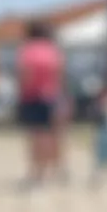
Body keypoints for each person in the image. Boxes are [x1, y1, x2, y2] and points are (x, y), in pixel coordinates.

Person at [16, 20, 65, 186]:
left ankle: (37, 172)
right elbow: (60, 76)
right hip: (52, 96)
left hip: (33, 96)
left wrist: (21, 94)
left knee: (36, 136)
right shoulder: (53, 50)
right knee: (52, 136)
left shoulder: (27, 50)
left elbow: (24, 75)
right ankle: (52, 170)